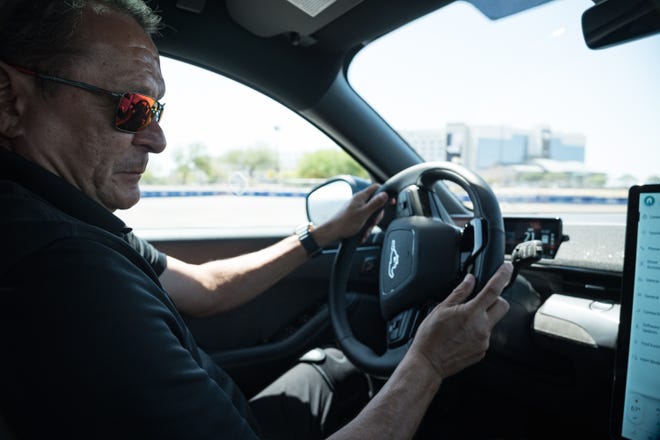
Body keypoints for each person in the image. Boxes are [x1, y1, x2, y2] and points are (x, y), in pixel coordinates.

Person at [0, 1, 513, 439]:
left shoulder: (62, 223)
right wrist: (428, 365)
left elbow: (206, 288)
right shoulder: (68, 272)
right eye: (131, 108)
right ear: (9, 100)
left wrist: (322, 233)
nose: (156, 139)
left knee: (336, 367)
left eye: (156, 111)